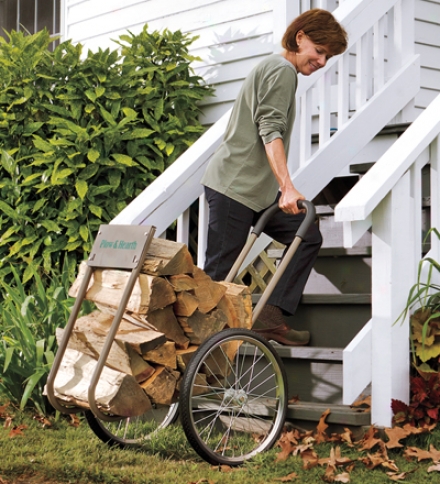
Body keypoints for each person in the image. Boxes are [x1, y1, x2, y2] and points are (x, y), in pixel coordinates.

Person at [201, 9, 348, 346]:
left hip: (254, 191)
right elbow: (270, 129)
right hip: (235, 188)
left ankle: (270, 314)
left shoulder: (278, 69)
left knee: (306, 233)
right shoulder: (281, 70)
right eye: (320, 51)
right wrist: (287, 186)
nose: (323, 61)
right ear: (300, 38)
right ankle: (199, 363)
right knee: (219, 279)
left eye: (328, 56)